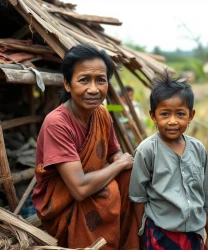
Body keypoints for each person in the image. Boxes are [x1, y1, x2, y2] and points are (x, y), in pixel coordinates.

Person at [32, 43, 139, 250]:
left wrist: (120, 161)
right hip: (63, 204)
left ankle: (126, 243)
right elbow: (79, 189)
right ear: (68, 84)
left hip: (92, 188)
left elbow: (114, 152)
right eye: (84, 80)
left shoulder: (102, 114)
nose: (93, 89)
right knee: (110, 186)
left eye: (101, 80)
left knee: (130, 176)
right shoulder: (57, 123)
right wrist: (117, 165)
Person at [129, 71, 208, 250]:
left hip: (194, 234)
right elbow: (138, 198)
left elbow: (206, 195)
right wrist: (141, 234)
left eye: (180, 114)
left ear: (190, 116)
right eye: (164, 114)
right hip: (159, 234)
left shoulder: (198, 149)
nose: (172, 121)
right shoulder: (147, 150)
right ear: (153, 116)